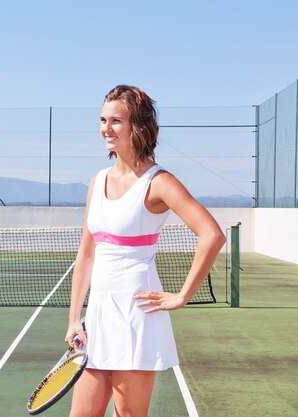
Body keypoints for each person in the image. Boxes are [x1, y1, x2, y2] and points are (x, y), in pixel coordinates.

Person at [65, 85, 225, 417]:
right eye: (102, 119)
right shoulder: (98, 180)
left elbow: (212, 235)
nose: (106, 128)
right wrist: (73, 319)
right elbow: (86, 254)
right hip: (97, 319)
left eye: (116, 121)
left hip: (136, 318)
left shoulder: (159, 181)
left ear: (138, 126)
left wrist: (182, 296)